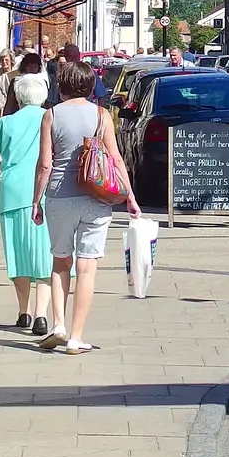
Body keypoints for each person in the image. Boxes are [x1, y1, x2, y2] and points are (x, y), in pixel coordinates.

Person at [32, 58, 141, 355]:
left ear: (62, 85)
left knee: (60, 261)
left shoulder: (50, 115)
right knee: (87, 267)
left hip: (58, 196)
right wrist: (129, 196)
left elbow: (45, 164)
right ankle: (76, 337)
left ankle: (57, 324)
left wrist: (36, 201)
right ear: (91, 85)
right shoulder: (101, 115)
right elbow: (116, 158)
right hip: (96, 196)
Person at [0, 73, 54, 336]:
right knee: (45, 254)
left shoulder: (5, 123)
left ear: (18, 97)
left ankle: (23, 311)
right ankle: (42, 313)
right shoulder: (50, 118)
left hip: (12, 191)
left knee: (17, 253)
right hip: (45, 191)